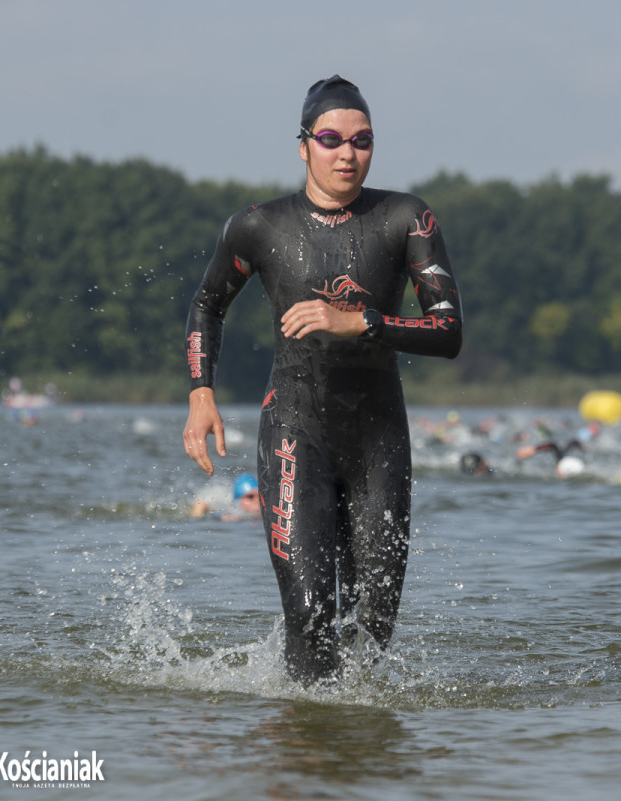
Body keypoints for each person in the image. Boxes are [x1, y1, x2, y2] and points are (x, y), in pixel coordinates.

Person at [181, 75, 463, 685]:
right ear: (304, 145)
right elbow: (207, 305)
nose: (347, 153)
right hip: (295, 433)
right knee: (311, 616)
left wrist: (358, 320)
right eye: (331, 138)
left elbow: (448, 331)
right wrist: (202, 393)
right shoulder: (259, 227)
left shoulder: (405, 219)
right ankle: (304, 758)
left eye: (362, 140)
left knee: (372, 627)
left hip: (376, 438)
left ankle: (354, 766)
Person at [191, 473, 264, 521]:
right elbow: (201, 504)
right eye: (250, 497)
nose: (257, 501)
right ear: (238, 500)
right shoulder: (230, 513)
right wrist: (196, 517)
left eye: (259, 496)